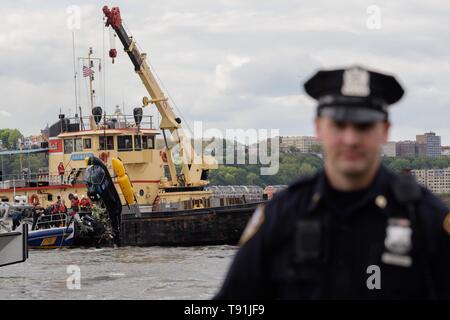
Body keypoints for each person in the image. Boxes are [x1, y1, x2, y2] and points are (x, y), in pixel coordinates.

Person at [215, 65, 450, 299]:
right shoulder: (282, 217)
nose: (350, 139)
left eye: (364, 126)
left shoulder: (427, 220)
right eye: (338, 125)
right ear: (318, 127)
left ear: (385, 131)